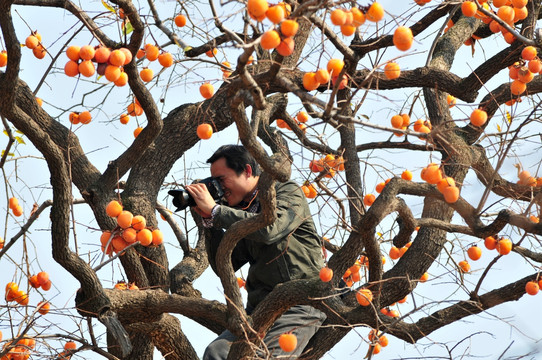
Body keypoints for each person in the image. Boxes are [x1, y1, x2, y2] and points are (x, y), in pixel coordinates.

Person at [185, 145, 327, 359]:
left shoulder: (286, 190)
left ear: (248, 171)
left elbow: (270, 229)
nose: (219, 188)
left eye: (221, 180)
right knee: (216, 352)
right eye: (214, 181)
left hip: (300, 299)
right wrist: (210, 221)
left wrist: (217, 211)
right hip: (259, 310)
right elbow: (226, 263)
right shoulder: (240, 211)